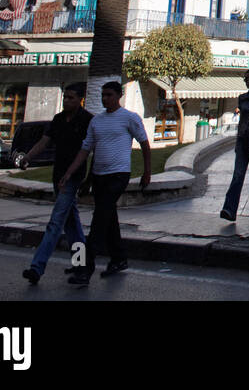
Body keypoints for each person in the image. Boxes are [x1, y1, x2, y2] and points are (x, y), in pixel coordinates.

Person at [57, 80, 151, 285]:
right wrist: (71, 173)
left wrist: (147, 173)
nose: (105, 98)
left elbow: (144, 144)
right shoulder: (97, 121)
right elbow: (86, 150)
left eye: (109, 95)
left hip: (118, 175)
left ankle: (85, 269)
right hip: (99, 175)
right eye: (103, 95)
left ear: (119, 96)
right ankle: (119, 258)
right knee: (108, 219)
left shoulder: (129, 118)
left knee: (99, 221)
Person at [21, 83, 92, 284]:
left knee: (56, 222)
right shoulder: (58, 119)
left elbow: (88, 150)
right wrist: (28, 157)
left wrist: (77, 175)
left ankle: (37, 267)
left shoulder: (87, 120)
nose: (67, 101)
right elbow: (45, 141)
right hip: (57, 175)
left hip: (73, 177)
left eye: (71, 97)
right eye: (65, 97)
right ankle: (81, 266)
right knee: (72, 224)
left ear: (80, 99)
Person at [220, 70, 249, 222]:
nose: (248, 82)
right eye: (246, 80)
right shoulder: (242, 98)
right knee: (238, 174)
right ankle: (229, 208)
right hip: (243, 139)